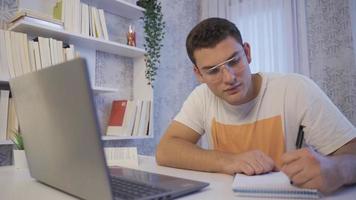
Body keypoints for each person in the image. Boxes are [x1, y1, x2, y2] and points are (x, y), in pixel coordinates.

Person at [155, 17, 356, 194]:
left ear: (247, 52)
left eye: (234, 61)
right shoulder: (201, 97)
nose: (229, 78)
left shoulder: (296, 89)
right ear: (199, 74)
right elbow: (166, 150)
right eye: (213, 71)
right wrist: (230, 161)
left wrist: (337, 169)